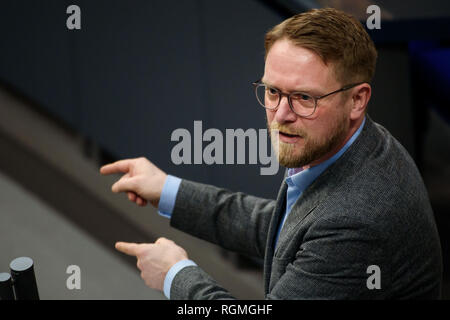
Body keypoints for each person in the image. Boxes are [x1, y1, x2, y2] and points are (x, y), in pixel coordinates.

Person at [100, 8, 442, 299]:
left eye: (305, 98)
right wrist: (168, 190)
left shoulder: (356, 224)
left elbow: (319, 234)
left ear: (357, 100)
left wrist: (175, 275)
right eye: (273, 91)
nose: (281, 115)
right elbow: (287, 230)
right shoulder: (354, 141)